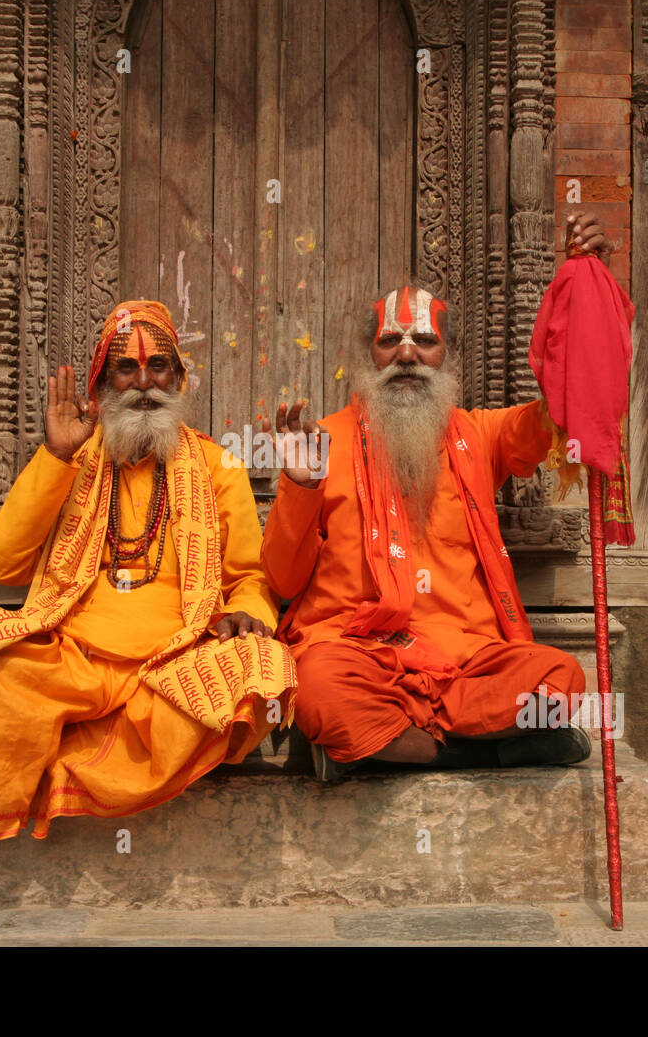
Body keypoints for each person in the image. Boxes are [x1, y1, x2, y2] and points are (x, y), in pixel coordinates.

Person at [0, 300, 295, 837]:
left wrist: (246, 610)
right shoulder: (74, 456)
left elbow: (249, 576)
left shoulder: (218, 466)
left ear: (179, 377)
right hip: (76, 661)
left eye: (159, 366)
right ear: (103, 384)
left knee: (258, 664)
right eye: (127, 368)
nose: (145, 383)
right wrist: (53, 458)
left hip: (178, 660)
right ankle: (89, 756)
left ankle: (78, 760)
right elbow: (1, 564)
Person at [260, 215, 613, 781]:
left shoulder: (479, 436)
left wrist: (587, 286)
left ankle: (391, 748)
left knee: (560, 680)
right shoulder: (323, 443)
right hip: (360, 656)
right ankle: (486, 750)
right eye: (390, 341)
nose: (406, 354)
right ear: (368, 357)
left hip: (466, 661)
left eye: (424, 340)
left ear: (446, 356)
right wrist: (299, 489)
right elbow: (280, 582)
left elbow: (565, 403)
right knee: (319, 689)